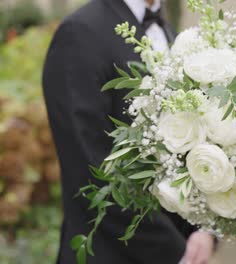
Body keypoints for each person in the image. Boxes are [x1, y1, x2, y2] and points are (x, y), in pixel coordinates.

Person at [42, 0, 214, 263]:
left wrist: (204, 230)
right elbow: (91, 169)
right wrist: (174, 251)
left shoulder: (170, 33)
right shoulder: (79, 33)